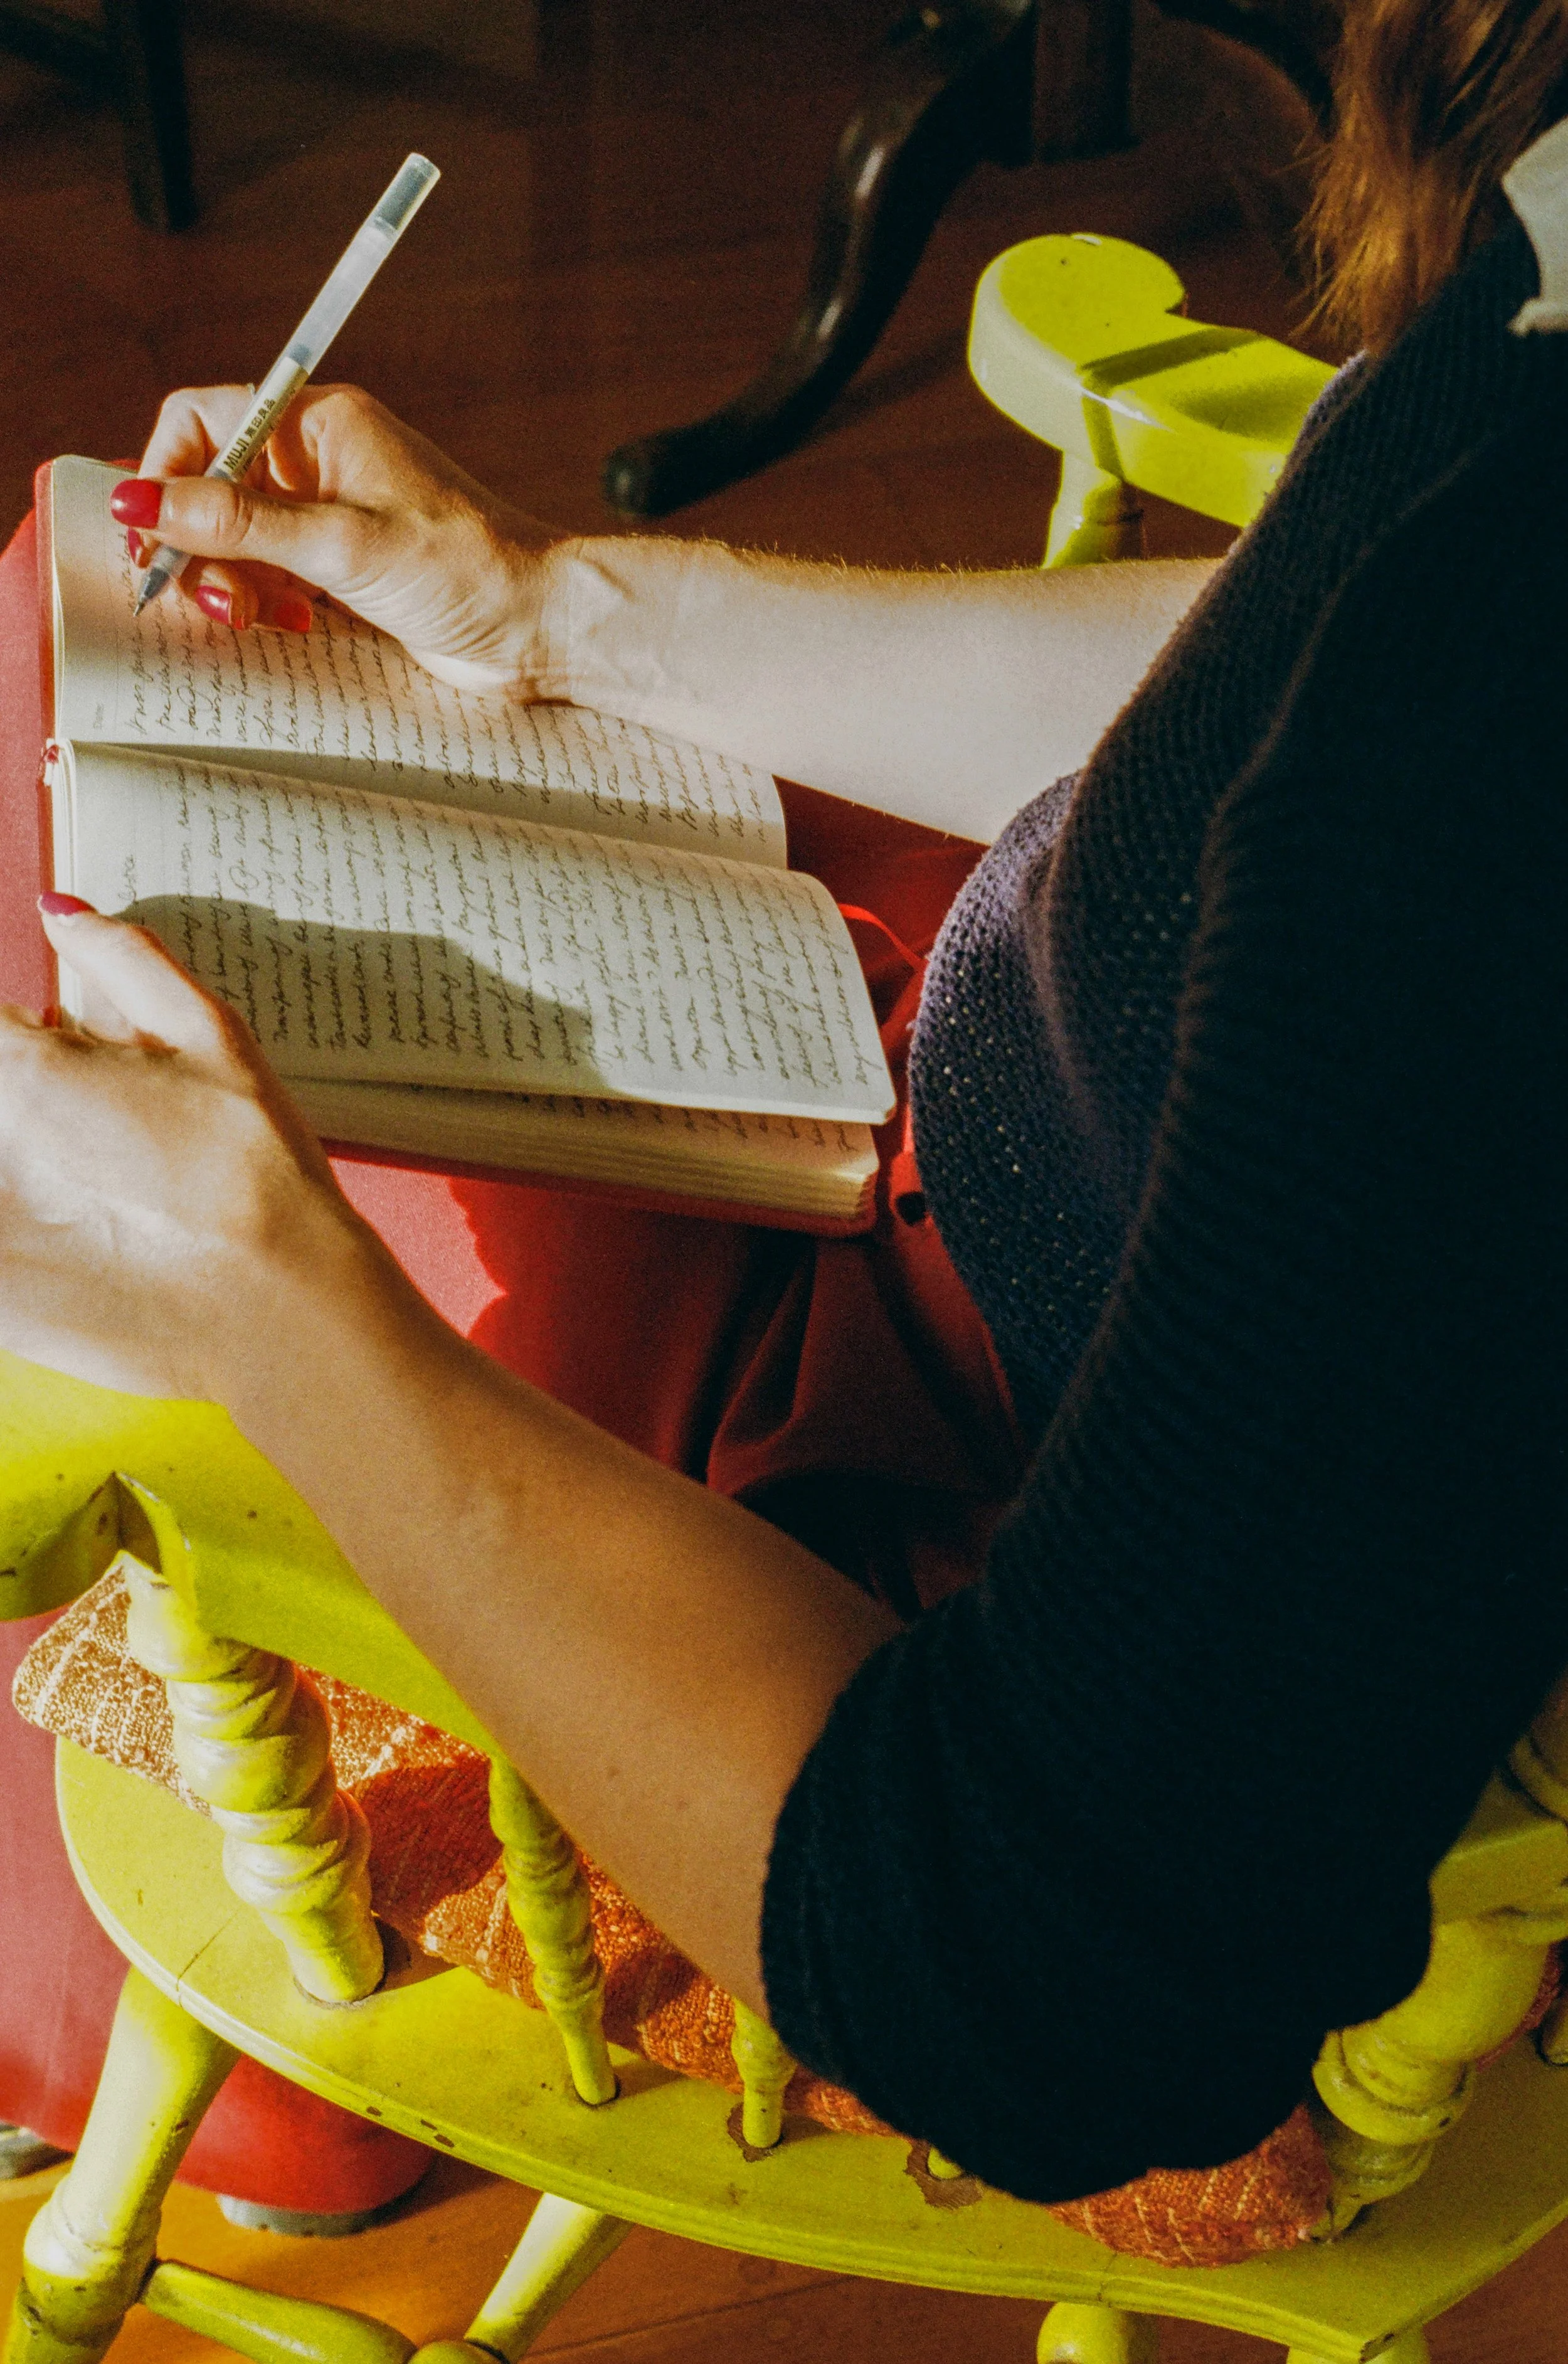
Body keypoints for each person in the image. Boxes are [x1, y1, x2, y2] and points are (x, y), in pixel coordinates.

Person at [4, 0, 1568, 2207]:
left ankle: (241, 2103)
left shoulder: (1492, 781)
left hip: (954, 1515)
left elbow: (1046, 1984)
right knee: (62, 698)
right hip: (998, 1082)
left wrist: (271, 1308)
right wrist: (570, 614)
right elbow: (1290, 654)